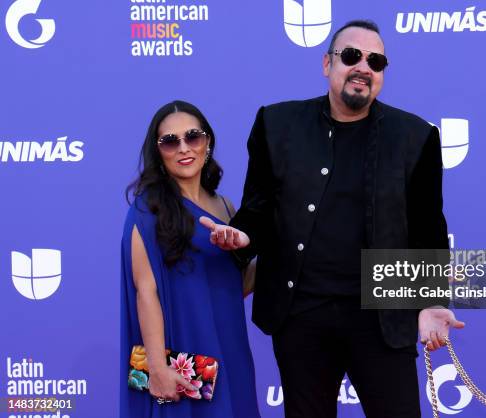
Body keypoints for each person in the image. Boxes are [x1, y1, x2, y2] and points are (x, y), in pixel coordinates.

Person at [200, 20, 464, 418]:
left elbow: (428, 227)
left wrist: (429, 303)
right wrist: (242, 238)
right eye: (351, 56)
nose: (363, 67)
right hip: (301, 313)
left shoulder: (415, 137)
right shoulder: (277, 125)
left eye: (375, 61)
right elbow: (258, 211)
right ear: (327, 64)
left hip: (381, 318)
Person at [119, 100, 260, 418]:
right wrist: (156, 366)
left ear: (207, 142)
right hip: (181, 354)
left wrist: (282, 255)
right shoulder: (146, 210)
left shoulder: (226, 207)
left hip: (230, 347)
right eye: (170, 141)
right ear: (158, 152)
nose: (184, 148)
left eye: (193, 136)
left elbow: (235, 285)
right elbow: (146, 291)